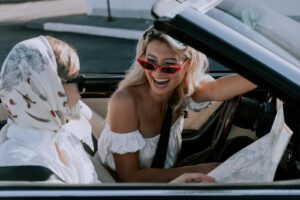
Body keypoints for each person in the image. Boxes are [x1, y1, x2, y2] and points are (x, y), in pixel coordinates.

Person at [97, 27, 257, 183]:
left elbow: (218, 89)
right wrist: (199, 169)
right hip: (134, 190)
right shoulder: (125, 102)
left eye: (169, 66)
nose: (158, 73)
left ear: (187, 65)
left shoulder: (181, 90)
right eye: (150, 63)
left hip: (164, 174)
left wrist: (269, 72)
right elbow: (130, 178)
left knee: (240, 146)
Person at [0, 36, 99, 183]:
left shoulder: (65, 136)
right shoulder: (22, 163)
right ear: (49, 89)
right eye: (77, 81)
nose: (82, 90)